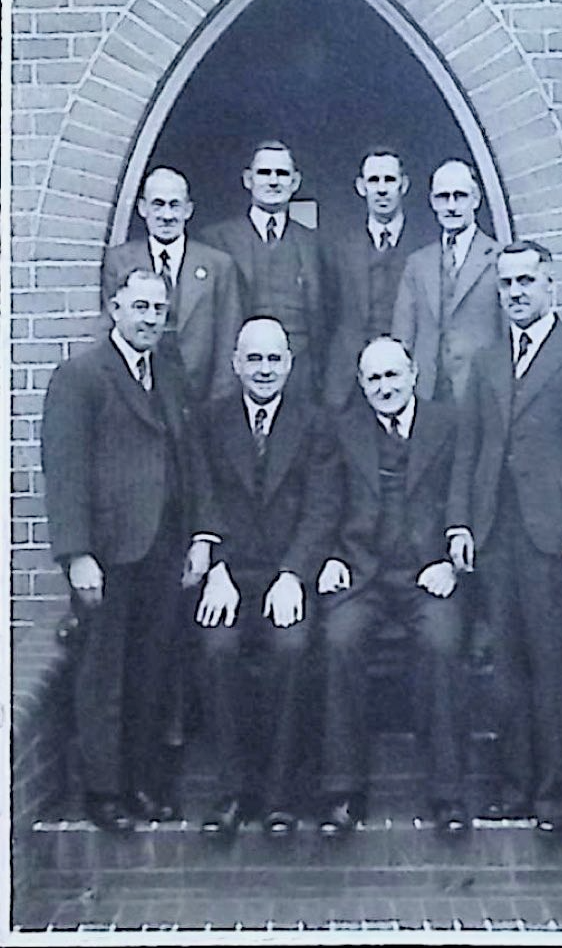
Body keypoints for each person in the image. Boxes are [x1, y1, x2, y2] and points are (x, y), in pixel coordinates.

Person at [446, 241, 562, 832]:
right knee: (507, 668)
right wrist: (461, 522)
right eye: (506, 283)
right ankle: (516, 788)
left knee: (556, 666)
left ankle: (557, 797)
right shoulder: (488, 361)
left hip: (554, 536)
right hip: (497, 535)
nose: (516, 292)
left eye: (526, 280)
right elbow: (469, 449)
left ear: (550, 283)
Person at [41, 269, 222, 831]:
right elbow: (65, 471)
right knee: (103, 672)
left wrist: (202, 536)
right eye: (139, 306)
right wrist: (77, 554)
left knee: (152, 670)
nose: (149, 319)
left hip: (165, 548)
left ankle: (143, 784)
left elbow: (192, 458)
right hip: (108, 552)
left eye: (158, 310)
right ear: (114, 307)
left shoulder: (169, 374)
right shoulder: (80, 377)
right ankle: (103, 792)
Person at [191, 317, 341, 837]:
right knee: (217, 649)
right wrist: (217, 569)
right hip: (230, 576)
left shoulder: (316, 423)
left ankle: (279, 796)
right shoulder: (209, 421)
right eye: (253, 359)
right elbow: (202, 498)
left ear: (290, 364)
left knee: (292, 649)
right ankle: (233, 793)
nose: (264, 369)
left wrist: (294, 573)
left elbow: (323, 507)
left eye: (274, 359)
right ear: (236, 363)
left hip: (286, 574)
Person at [317, 336, 466, 835]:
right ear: (361, 384)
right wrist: (331, 557)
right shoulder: (342, 430)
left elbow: (464, 496)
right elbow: (323, 503)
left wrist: (450, 562)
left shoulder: (447, 424)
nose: (385, 387)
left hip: (427, 573)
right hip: (363, 573)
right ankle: (343, 791)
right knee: (339, 639)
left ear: (414, 374)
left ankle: (447, 793)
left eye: (393, 375)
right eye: (374, 378)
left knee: (443, 642)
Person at [102, 167, 242, 403]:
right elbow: (111, 331)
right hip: (140, 398)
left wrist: (218, 405)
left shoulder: (218, 265)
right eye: (158, 205)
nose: (167, 216)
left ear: (188, 210)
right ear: (142, 208)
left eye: (175, 205)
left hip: (200, 399)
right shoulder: (120, 262)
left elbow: (228, 341)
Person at [202, 142, 325, 399]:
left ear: (295, 182)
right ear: (248, 179)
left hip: (300, 377)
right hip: (239, 376)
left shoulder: (313, 242)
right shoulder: (217, 240)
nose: (273, 181)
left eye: (282, 174)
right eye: (264, 173)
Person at [392, 159, 503, 403]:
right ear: (433, 202)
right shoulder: (417, 263)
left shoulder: (497, 258)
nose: (451, 206)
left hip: (480, 391)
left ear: (476, 200)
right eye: (443, 197)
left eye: (460, 196)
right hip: (427, 392)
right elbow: (403, 335)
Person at [324, 149, 424, 410]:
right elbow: (327, 313)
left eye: (389, 180)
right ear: (361, 186)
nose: (381, 189)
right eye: (373, 180)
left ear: (404, 185)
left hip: (406, 378)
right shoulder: (339, 246)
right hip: (348, 381)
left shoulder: (425, 245)